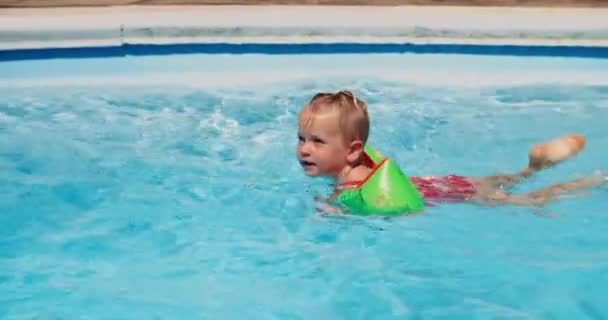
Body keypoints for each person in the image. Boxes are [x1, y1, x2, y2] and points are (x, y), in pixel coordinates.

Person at [295, 90, 606, 215]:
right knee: (506, 180)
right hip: (443, 184)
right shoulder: (360, 161)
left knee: (533, 203)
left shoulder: (351, 189)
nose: (304, 150)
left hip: (450, 194)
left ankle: (591, 182)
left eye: (317, 141)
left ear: (352, 151)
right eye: (301, 139)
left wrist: (333, 210)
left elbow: (380, 208)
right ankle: (534, 166)